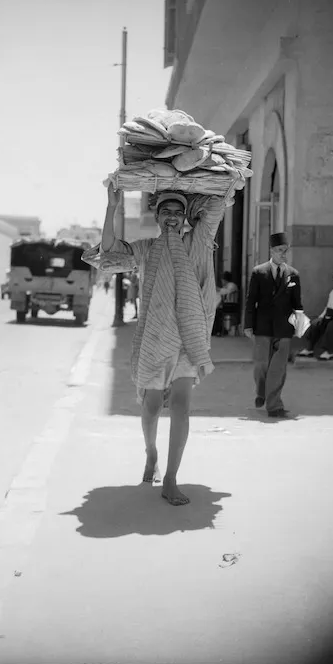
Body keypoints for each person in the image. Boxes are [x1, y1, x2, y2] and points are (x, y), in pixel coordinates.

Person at [85, 182, 230, 506]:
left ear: (186, 217)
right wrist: (112, 207)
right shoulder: (147, 248)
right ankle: (151, 453)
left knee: (181, 405)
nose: (172, 217)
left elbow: (218, 204)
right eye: (166, 211)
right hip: (155, 336)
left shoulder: (200, 241)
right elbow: (109, 252)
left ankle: (171, 479)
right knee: (151, 407)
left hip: (188, 336)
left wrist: (197, 198)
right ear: (157, 215)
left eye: (179, 212)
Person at [244, 232, 304, 418]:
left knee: (278, 369)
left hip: (284, 328)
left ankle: (274, 405)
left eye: (285, 250)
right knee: (262, 365)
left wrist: (299, 325)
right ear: (271, 251)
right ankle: (261, 391)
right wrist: (248, 325)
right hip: (262, 326)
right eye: (279, 250)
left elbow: (297, 304)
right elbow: (250, 300)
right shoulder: (259, 272)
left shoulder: (293, 275)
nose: (283, 254)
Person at [213, 271, 238, 336]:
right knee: (216, 311)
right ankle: (217, 330)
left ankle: (218, 330)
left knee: (217, 312)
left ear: (225, 280)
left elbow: (225, 292)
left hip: (231, 306)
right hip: (227, 305)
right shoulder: (227, 286)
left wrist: (218, 289)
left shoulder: (232, 285)